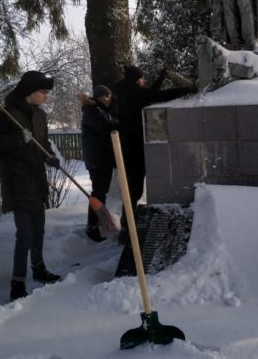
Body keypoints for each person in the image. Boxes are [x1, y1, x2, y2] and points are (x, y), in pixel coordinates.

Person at [0, 70, 63, 301]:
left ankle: (39, 269)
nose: (46, 96)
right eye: (43, 92)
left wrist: (49, 156)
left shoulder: (40, 115)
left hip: (37, 180)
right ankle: (17, 283)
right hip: (17, 181)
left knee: (38, 230)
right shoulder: (8, 114)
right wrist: (17, 139)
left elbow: (43, 142)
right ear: (30, 92)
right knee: (24, 235)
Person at [110, 65, 195, 233]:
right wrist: (187, 89)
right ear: (135, 80)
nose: (144, 80)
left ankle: (127, 222)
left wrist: (161, 78)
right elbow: (157, 95)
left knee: (133, 186)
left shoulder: (126, 91)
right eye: (142, 78)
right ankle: (128, 226)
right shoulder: (133, 93)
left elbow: (147, 93)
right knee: (135, 187)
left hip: (129, 145)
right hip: (134, 146)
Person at [80, 85, 119, 242]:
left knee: (101, 192)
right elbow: (105, 128)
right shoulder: (91, 111)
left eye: (110, 95)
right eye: (105, 95)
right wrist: (117, 122)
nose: (108, 98)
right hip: (97, 160)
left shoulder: (100, 110)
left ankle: (99, 223)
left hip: (103, 159)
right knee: (98, 193)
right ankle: (92, 226)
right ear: (98, 97)